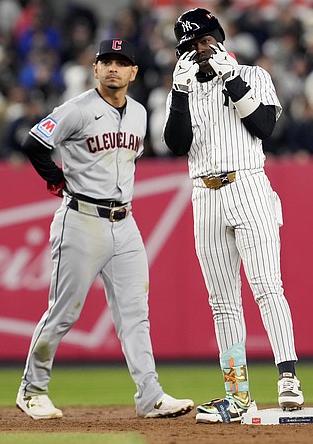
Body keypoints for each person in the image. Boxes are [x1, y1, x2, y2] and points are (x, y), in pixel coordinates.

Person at [16, 38, 194, 420]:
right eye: (106, 61)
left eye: (121, 62)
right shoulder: (77, 110)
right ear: (95, 69)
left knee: (136, 314)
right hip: (80, 220)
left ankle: (150, 395)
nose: (113, 68)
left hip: (125, 223)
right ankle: (32, 390)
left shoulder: (141, 114)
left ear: (133, 72)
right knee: (63, 312)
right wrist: (57, 181)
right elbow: (34, 142)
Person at [163, 8, 304, 424]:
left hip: (248, 185)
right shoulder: (182, 87)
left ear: (220, 39)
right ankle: (238, 394)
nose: (199, 50)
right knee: (222, 302)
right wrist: (180, 94)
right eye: (191, 45)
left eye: (205, 41)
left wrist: (232, 77)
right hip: (204, 193)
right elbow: (176, 143)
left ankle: (288, 378)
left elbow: (264, 127)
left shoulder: (254, 75)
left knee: (266, 285)